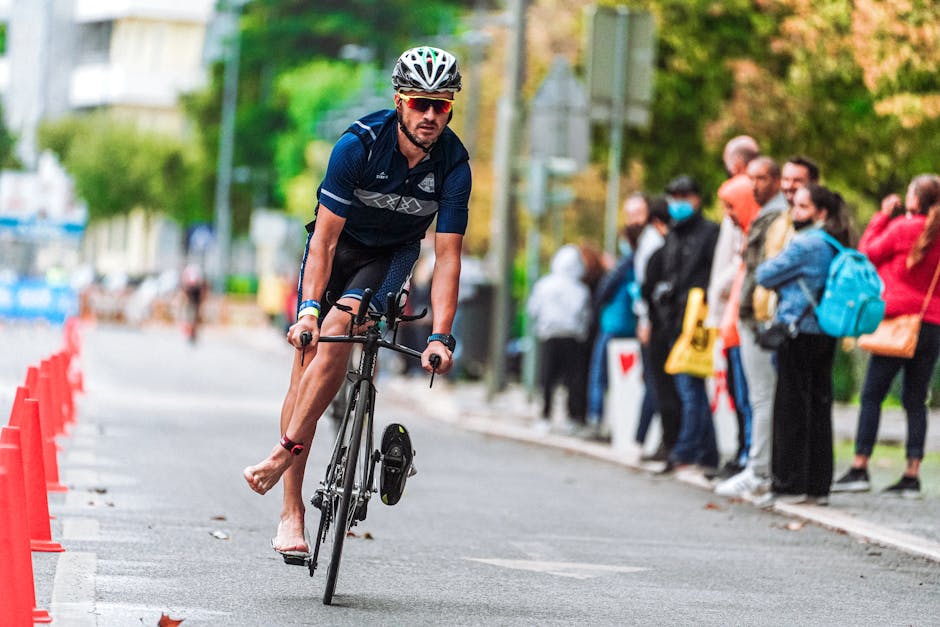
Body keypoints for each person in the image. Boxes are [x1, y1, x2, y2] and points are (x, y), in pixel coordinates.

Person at [243, 46, 471, 558]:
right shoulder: (359, 146)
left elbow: (449, 256)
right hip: (336, 251)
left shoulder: (454, 164)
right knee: (307, 357)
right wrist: (305, 310)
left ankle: (280, 454)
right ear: (400, 102)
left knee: (343, 328)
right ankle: (292, 512)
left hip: (389, 258)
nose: (431, 116)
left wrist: (440, 335)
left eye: (442, 105)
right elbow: (322, 242)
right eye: (420, 103)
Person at [833, 174, 940, 497]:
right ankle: (912, 474)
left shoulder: (902, 228)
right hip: (932, 323)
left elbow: (866, 254)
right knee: (915, 400)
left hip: (897, 323)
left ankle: (860, 467)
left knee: (871, 395)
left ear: (914, 199)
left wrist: (881, 216)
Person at [754, 184, 848, 505]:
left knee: (790, 407)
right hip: (825, 330)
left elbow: (765, 275)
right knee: (819, 408)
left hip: (797, 330)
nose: (795, 212)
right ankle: (817, 485)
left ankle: (788, 483)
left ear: (820, 212)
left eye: (803, 207)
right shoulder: (836, 243)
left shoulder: (805, 244)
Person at [714, 156, 788, 498]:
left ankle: (758, 470)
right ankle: (756, 466)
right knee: (755, 397)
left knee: (761, 398)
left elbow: (765, 269)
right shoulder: (759, 218)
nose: (754, 184)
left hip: (759, 317)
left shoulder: (774, 217)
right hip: (748, 316)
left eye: (759, 178)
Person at [654, 175, 720, 474]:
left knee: (690, 388)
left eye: (684, 196)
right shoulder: (674, 233)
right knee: (690, 389)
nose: (678, 203)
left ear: (696, 199)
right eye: (674, 197)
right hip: (674, 320)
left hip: (697, 322)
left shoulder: (709, 233)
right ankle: (707, 452)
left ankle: (687, 450)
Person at [707, 174, 760, 478]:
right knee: (737, 396)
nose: (727, 213)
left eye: (731, 206)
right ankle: (743, 452)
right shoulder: (740, 232)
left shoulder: (755, 233)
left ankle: (750, 457)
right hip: (730, 325)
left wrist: (718, 288)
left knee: (750, 397)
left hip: (744, 326)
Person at [527, 244, 593, 434]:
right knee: (573, 379)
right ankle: (573, 417)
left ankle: (545, 415)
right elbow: (585, 316)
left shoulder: (544, 285)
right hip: (573, 338)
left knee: (547, 378)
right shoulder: (581, 289)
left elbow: (533, 308)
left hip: (549, 335)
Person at [584, 224, 637, 439]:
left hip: (614, 324)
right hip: (632, 325)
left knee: (599, 376)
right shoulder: (638, 263)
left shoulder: (624, 264)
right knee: (626, 379)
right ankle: (624, 424)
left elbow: (604, 291)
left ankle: (596, 420)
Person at [638, 197, 676, 461]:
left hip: (662, 327)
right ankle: (665, 442)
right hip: (665, 324)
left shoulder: (657, 249)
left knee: (664, 387)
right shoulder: (665, 248)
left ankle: (670, 443)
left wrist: (646, 321)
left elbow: (645, 289)